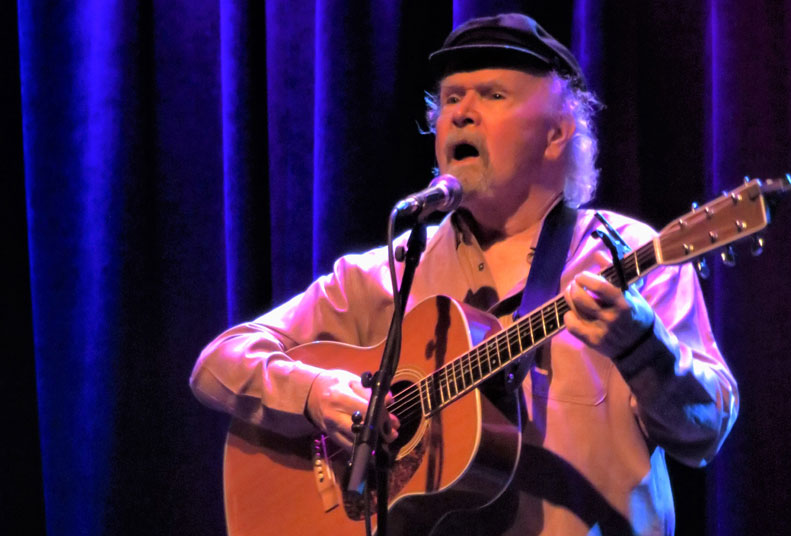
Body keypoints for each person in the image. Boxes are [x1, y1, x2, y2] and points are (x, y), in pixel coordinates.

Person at [191, 13, 738, 536]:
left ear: (556, 133)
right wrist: (315, 393)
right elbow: (219, 364)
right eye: (451, 99)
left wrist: (644, 346)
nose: (460, 113)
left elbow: (704, 433)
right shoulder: (392, 269)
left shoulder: (627, 256)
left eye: (493, 96)